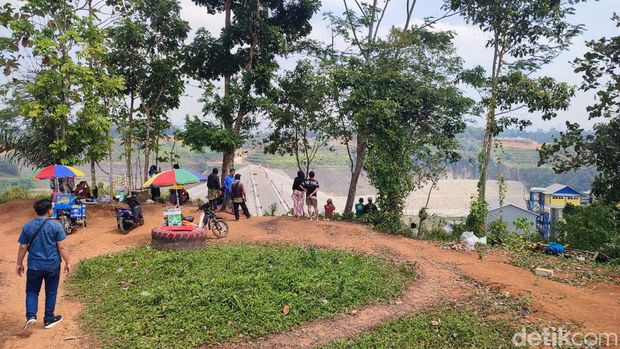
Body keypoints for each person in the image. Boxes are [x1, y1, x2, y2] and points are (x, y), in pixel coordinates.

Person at [16, 199, 71, 330]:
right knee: (51, 291)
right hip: (52, 265)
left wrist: (19, 263)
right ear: (49, 210)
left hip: (34, 266)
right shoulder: (56, 226)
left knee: (32, 291)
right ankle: (49, 318)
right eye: (52, 208)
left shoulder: (28, 226)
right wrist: (68, 262)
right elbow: (62, 247)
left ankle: (31, 316)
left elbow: (23, 246)